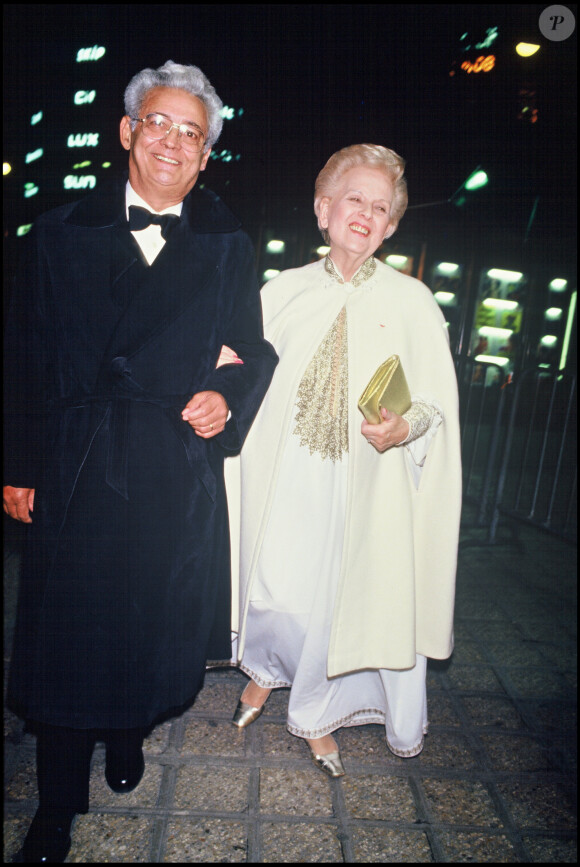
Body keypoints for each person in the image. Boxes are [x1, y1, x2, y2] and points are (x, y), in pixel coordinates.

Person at [3, 60, 277, 862]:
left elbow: (250, 347)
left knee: (147, 619)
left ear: (205, 155)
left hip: (167, 460)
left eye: (191, 132)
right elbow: (19, 351)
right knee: (65, 632)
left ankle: (127, 730)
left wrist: (227, 393)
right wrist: (17, 462)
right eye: (157, 122)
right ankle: (56, 806)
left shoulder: (228, 242)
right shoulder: (56, 230)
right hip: (76, 458)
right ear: (125, 132)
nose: (172, 141)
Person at [227, 144, 461, 778]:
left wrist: (405, 424)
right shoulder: (281, 290)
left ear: (390, 227)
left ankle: (314, 710)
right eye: (354, 198)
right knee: (275, 585)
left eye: (380, 207)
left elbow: (437, 403)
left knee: (336, 596)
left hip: (365, 482)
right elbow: (240, 371)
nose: (366, 213)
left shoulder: (414, 301)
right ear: (323, 208)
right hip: (284, 474)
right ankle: (265, 673)